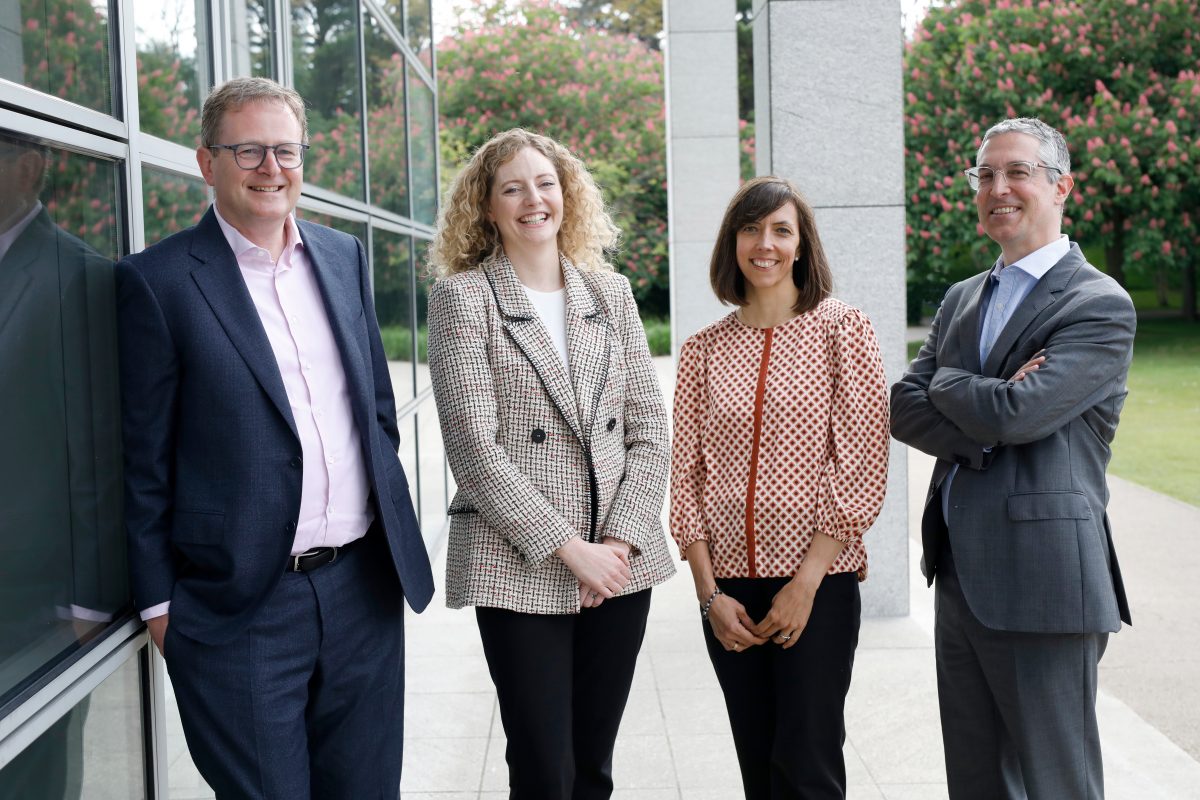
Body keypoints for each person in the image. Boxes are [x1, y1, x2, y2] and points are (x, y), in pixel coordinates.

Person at [115, 77, 434, 798]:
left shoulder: (341, 255)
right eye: (249, 150)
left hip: (362, 590)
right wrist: (162, 609)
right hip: (241, 611)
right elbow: (142, 465)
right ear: (207, 162)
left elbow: (375, 411)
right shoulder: (157, 282)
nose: (271, 168)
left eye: (284, 150)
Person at [426, 128, 676, 799]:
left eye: (544, 183)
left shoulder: (611, 293)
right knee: (543, 768)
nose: (532, 200)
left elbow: (651, 429)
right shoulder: (464, 299)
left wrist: (616, 544)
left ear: (567, 195)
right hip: (519, 563)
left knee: (593, 767)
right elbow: (474, 449)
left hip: (619, 566)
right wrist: (572, 551)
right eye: (512, 188)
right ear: (486, 207)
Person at [891, 117, 1135, 798]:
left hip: (1044, 581)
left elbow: (1019, 414)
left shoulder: (1098, 303)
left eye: (1017, 172)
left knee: (1056, 783)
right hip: (960, 575)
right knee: (975, 782)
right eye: (985, 174)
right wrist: (982, 402)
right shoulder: (965, 296)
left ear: (1062, 187)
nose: (998, 187)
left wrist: (951, 385)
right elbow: (901, 406)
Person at [670, 176, 890, 799]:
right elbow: (684, 478)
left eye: (780, 230)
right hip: (729, 589)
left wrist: (807, 583)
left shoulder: (845, 330)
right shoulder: (701, 352)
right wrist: (709, 595)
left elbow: (862, 460)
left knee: (809, 760)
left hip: (818, 582)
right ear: (732, 243)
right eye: (750, 229)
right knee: (757, 762)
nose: (764, 244)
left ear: (801, 245)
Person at [0, 132, 125, 799]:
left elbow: (98, 447)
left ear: (27, 169)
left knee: (32, 775)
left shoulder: (73, 275)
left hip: (31, 600)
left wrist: (87, 599)